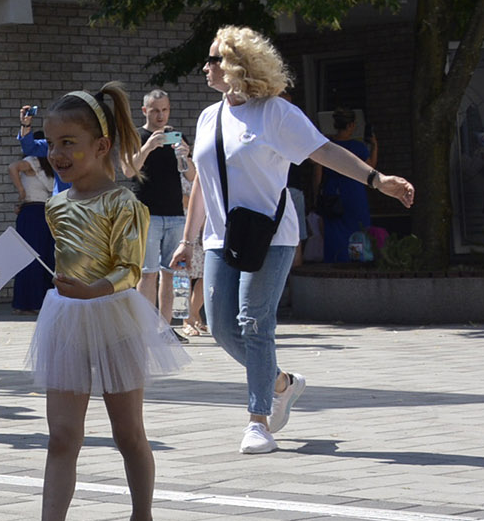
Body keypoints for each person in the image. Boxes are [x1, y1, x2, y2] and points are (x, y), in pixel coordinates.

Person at [174, 28, 415, 456]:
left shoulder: (276, 114)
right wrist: (188, 239)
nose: (206, 67)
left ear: (236, 66)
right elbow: (201, 185)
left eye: (213, 59)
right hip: (220, 238)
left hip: (270, 233)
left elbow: (325, 151)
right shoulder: (209, 117)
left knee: (254, 323)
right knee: (220, 326)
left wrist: (378, 180)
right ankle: (282, 383)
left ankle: (258, 421)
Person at [0, 85, 189, 521]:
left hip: (114, 316)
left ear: (101, 146)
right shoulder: (57, 205)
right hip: (67, 318)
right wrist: (68, 293)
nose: (56, 154)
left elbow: (129, 269)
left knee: (128, 433)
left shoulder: (124, 202)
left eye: (69, 143)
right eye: (51, 142)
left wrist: (92, 291)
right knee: (62, 435)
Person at [131, 90, 195, 322]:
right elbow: (128, 169)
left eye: (165, 110)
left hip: (175, 215)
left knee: (170, 273)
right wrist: (148, 146)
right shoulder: (136, 136)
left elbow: (192, 177)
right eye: (156, 110)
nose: (161, 115)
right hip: (147, 214)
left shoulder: (176, 137)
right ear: (145, 110)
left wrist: (186, 156)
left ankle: (166, 328)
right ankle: (146, 328)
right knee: (148, 273)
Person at [312, 109, 375, 264]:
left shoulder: (327, 145)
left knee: (333, 228)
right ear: (351, 125)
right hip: (354, 190)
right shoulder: (358, 147)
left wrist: (316, 196)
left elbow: (318, 174)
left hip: (332, 190)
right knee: (358, 228)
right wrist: (375, 146)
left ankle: (335, 260)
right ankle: (358, 259)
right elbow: (370, 169)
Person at [10, 107, 57, 315]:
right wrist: (21, 192)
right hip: (40, 211)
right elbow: (14, 167)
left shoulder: (41, 163)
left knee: (36, 257)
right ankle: (36, 301)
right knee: (38, 257)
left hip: (38, 212)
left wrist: (21, 192)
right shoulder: (42, 162)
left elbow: (13, 167)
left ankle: (32, 301)